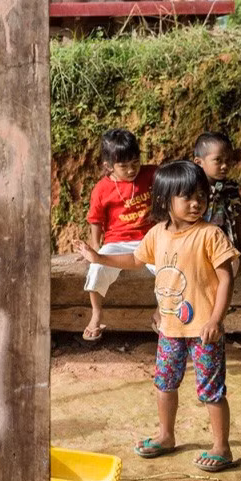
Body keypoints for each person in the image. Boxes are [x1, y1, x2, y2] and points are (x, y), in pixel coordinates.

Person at [76, 161, 240, 472]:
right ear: (165, 201)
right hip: (169, 329)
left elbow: (226, 278)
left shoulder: (210, 235)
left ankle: (222, 447)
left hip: (204, 329)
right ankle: (166, 436)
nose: (196, 203)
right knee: (164, 383)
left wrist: (216, 320)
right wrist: (98, 257)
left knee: (210, 389)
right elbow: (135, 259)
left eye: (201, 196)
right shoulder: (156, 234)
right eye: (187, 197)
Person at [82, 128, 156, 341]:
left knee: (169, 268)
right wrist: (95, 247)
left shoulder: (152, 174)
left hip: (151, 240)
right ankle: (96, 314)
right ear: (108, 166)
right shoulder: (102, 189)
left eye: (135, 162)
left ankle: (161, 313)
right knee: (97, 268)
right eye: (124, 166)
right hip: (118, 242)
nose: (132, 170)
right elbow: (96, 219)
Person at [193, 132, 241, 272]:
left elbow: (237, 217)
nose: (224, 166)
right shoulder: (192, 189)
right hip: (198, 247)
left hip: (224, 248)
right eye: (218, 160)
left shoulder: (230, 188)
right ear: (199, 162)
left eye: (228, 160)